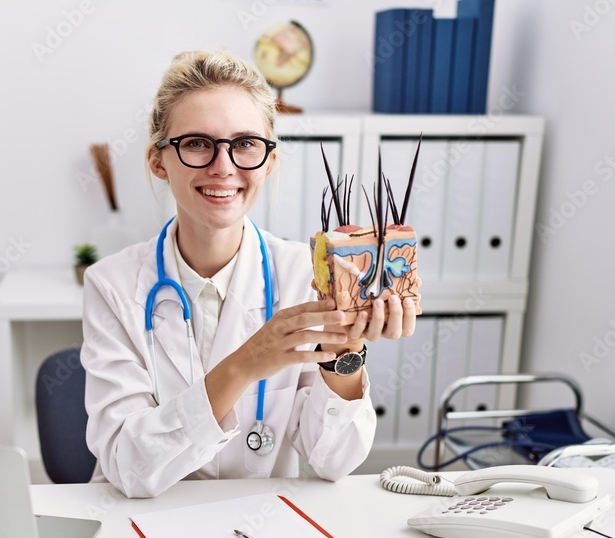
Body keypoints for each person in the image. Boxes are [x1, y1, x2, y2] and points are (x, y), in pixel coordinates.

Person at [80, 50, 418, 498]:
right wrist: (245, 364)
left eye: (245, 144)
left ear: (269, 160)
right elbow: (129, 467)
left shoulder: (305, 275)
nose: (224, 166)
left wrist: (345, 352)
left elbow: (334, 462)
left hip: (258, 527)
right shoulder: (113, 285)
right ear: (159, 161)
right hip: (140, 525)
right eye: (198, 143)